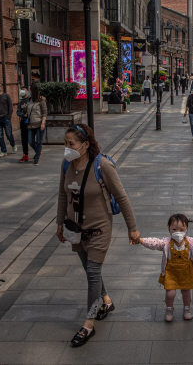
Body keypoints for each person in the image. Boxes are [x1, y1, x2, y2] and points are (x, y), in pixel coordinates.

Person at [56, 123, 140, 347]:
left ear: (85, 144)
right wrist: (59, 224)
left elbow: (122, 197)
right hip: (75, 230)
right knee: (89, 269)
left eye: (70, 144)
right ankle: (106, 302)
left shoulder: (102, 165)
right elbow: (62, 197)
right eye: (65, 143)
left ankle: (88, 323)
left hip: (99, 228)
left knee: (93, 272)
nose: (67, 148)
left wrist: (132, 228)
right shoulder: (66, 165)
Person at [136, 214, 193, 321]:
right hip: (171, 273)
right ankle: (169, 309)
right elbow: (154, 243)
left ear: (186, 230)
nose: (178, 232)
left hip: (186, 272)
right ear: (169, 230)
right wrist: (141, 240)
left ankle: (187, 309)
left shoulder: (191, 243)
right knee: (170, 293)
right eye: (174, 229)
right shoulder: (165, 243)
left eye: (181, 229)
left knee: (186, 293)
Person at [27, 84, 47, 166]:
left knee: (39, 141)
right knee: (31, 141)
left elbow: (44, 113)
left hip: (39, 123)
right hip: (30, 124)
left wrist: (43, 123)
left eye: (29, 90)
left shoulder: (41, 101)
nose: (28, 92)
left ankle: (36, 158)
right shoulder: (29, 100)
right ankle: (38, 151)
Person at [16, 86, 30, 163]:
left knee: (31, 139)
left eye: (24, 90)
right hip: (24, 121)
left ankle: (37, 151)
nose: (22, 91)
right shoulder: (21, 102)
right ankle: (25, 154)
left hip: (31, 122)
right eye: (21, 90)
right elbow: (18, 112)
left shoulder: (31, 100)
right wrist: (23, 115)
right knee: (24, 139)